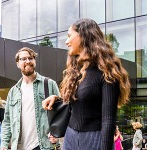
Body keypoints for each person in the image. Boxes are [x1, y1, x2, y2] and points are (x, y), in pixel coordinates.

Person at [42, 18, 131, 150]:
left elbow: (108, 121)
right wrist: (58, 99)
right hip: (70, 138)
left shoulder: (108, 72)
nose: (66, 42)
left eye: (69, 36)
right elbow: (81, 104)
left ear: (84, 35)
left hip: (95, 140)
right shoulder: (75, 71)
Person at [0, 47, 60, 150]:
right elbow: (7, 121)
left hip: (44, 145)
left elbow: (61, 112)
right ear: (18, 64)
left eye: (30, 58)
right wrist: (4, 145)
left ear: (34, 61)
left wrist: (57, 133)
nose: (28, 61)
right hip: (19, 147)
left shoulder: (49, 84)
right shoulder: (13, 91)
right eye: (23, 59)